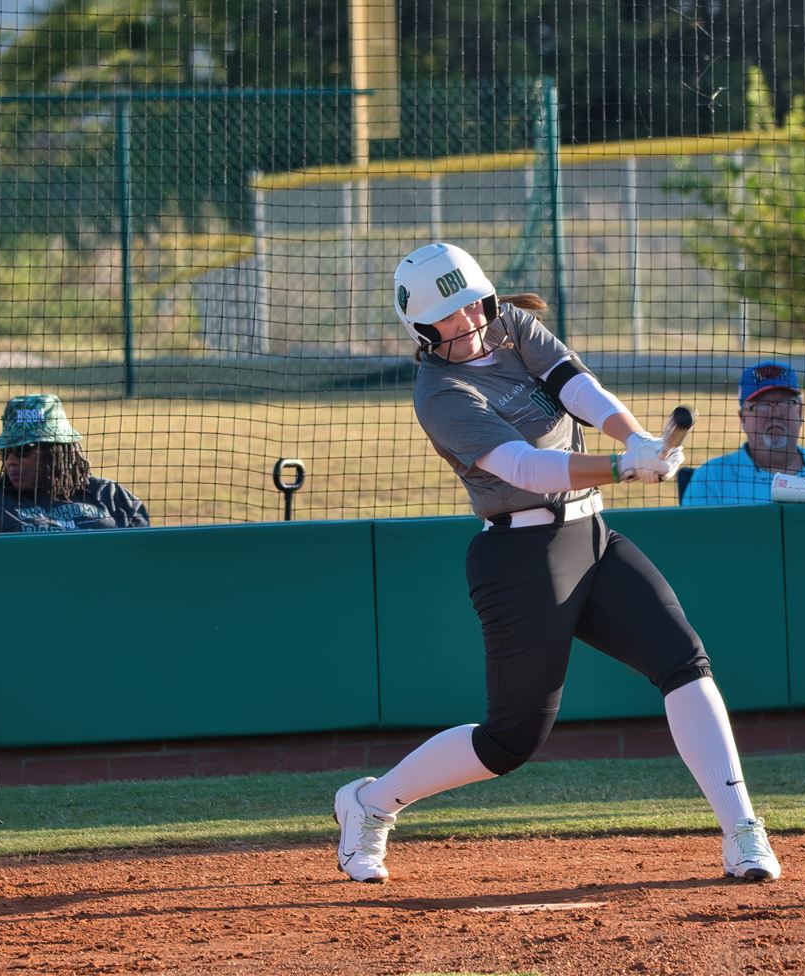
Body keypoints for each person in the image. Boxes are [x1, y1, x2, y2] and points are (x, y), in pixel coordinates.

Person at [331, 243, 780, 886]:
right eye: (450, 319)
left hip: (591, 533)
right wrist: (623, 467)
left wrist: (636, 439)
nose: (469, 323)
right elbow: (524, 468)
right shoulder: (440, 393)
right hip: (518, 557)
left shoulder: (511, 324)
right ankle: (369, 804)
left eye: (474, 306)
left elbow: (576, 385)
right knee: (511, 740)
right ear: (423, 332)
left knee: (683, 659)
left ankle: (742, 830)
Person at [0, 394, 149, 534]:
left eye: (22, 450)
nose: (11, 460)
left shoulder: (112, 497)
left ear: (55, 451)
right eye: (5, 451)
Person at [679, 360, 805, 506]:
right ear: (743, 418)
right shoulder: (712, 478)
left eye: (785, 403)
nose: (774, 413)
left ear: (800, 412)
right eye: (761, 405)